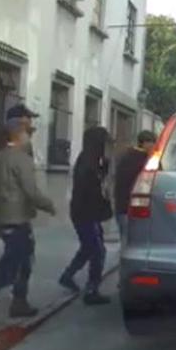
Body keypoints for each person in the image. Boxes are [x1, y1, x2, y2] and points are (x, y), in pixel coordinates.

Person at [0, 118, 56, 320]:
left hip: (2, 216)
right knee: (17, 259)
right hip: (16, 217)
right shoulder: (20, 158)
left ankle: (18, 301)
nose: (30, 136)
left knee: (21, 258)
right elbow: (31, 190)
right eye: (28, 132)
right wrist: (48, 205)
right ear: (18, 135)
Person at [59, 126, 114, 305]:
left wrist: (105, 165)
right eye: (105, 142)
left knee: (88, 248)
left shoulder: (92, 161)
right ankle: (91, 289)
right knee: (97, 251)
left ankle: (68, 275)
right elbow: (89, 193)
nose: (107, 146)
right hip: (84, 214)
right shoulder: (87, 164)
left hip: (86, 213)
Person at [113, 130, 157, 240]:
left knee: (125, 239)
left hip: (122, 206)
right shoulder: (144, 160)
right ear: (145, 143)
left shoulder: (126, 156)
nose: (154, 146)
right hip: (132, 208)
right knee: (132, 241)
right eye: (153, 143)